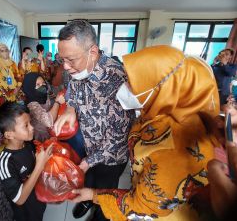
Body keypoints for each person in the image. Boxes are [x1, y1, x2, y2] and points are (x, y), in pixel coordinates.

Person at [69, 45, 221, 221]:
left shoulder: (176, 149)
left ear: (163, 89)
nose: (123, 86)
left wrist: (93, 195)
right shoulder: (162, 111)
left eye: (132, 83)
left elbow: (141, 207)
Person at [54, 20, 135, 220]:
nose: (66, 67)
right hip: (89, 144)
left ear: (92, 52)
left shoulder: (116, 79)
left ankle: (99, 213)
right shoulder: (78, 68)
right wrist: (70, 108)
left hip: (111, 157)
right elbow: (73, 87)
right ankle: (87, 201)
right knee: (89, 181)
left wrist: (86, 162)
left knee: (105, 194)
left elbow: (117, 139)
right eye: (62, 59)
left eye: (70, 60)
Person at [0, 102, 53, 221]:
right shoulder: (5, 163)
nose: (32, 127)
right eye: (26, 125)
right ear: (9, 135)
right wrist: (39, 166)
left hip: (38, 203)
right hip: (26, 214)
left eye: (30, 123)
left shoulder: (28, 144)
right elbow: (19, 199)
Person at [22, 72, 65, 141]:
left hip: (51, 131)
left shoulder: (43, 96)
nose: (42, 87)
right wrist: (57, 102)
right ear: (30, 87)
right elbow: (48, 122)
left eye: (43, 83)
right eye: (38, 85)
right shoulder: (32, 105)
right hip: (42, 138)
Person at [0, 43, 23, 107]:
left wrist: (18, 87)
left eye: (6, 50)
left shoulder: (13, 63)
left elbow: (18, 75)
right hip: (4, 93)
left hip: (15, 92)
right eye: (2, 51)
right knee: (5, 112)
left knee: (15, 111)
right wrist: (11, 90)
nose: (5, 52)